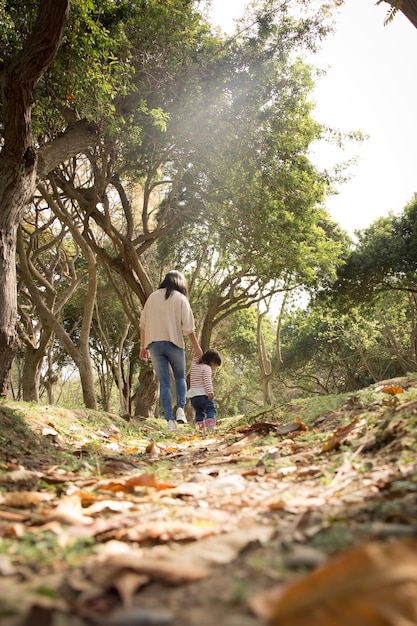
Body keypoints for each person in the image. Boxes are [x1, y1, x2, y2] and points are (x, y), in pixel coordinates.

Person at [139, 270, 203, 431]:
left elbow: (143, 324)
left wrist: (143, 347)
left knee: (165, 383)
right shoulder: (181, 299)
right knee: (180, 377)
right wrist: (196, 347)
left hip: (154, 344)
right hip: (174, 343)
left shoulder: (152, 297)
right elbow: (189, 327)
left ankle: (169, 421)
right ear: (180, 283)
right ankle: (180, 409)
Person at [187, 349, 221, 431]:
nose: (215, 369)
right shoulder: (207, 368)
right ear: (212, 362)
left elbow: (196, 356)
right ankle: (210, 427)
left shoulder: (194, 364)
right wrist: (210, 392)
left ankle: (200, 428)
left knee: (199, 412)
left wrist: (199, 351)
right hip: (203, 395)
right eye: (216, 366)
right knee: (211, 409)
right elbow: (207, 381)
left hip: (194, 396)